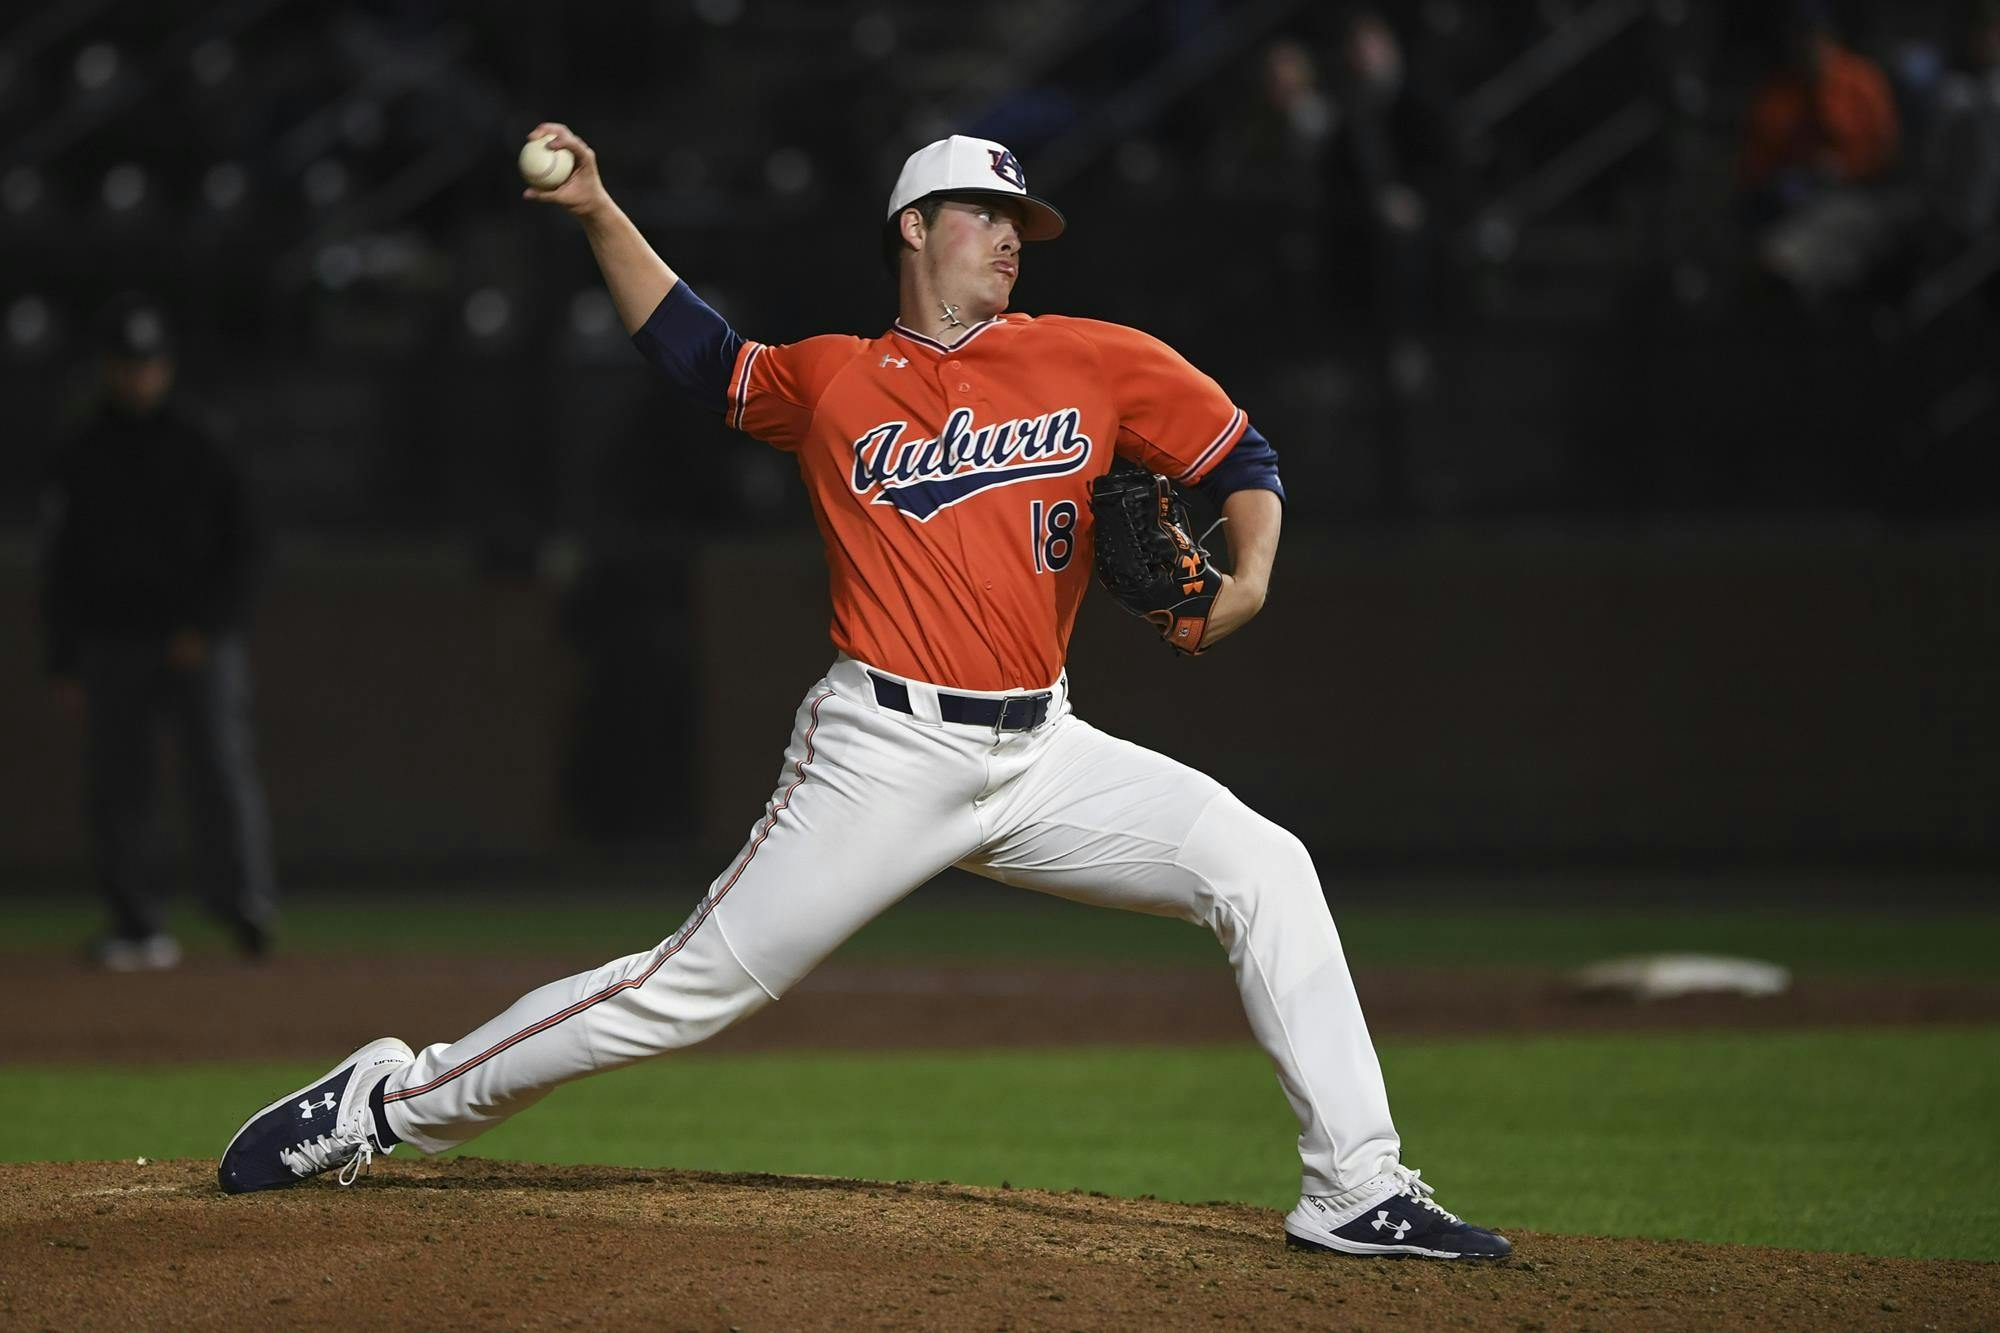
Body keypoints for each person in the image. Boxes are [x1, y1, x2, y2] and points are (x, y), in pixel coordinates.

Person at [217, 126, 1510, 1260]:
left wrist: (1250, 580)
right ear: (913, 226)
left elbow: (1242, 454)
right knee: (685, 992)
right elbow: (696, 353)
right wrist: (601, 209)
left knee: (1264, 866)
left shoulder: (1093, 360)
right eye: (985, 215)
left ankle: (1355, 1187)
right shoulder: (832, 376)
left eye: (1020, 224)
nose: (1009, 241)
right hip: (880, 753)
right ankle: (387, 1101)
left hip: (1043, 753)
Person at [39, 295, 278, 970]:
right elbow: (62, 563)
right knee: (118, 784)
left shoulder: (204, 440)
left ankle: (244, 903)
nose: (137, 375)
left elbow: (250, 544)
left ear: (165, 367)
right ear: (108, 367)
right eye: (125, 362)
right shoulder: (83, 448)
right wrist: (63, 658)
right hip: (114, 640)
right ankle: (137, 920)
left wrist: (210, 624)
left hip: (199, 639)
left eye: (146, 363)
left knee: (220, 769)